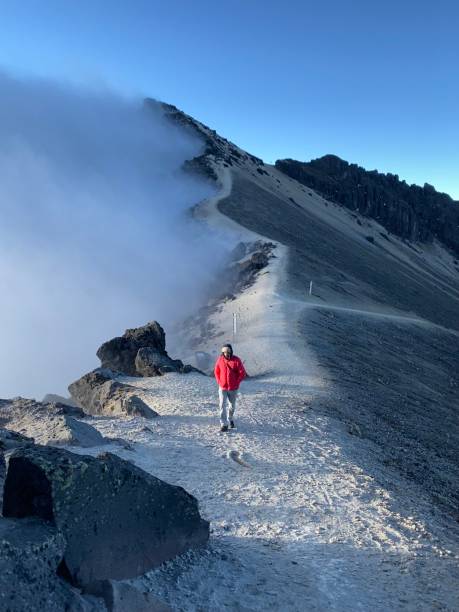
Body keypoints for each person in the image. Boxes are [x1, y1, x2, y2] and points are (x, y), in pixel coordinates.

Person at [214, 343, 247, 432]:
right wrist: (219, 381)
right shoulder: (220, 360)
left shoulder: (236, 360)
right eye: (225, 352)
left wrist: (237, 383)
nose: (227, 354)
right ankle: (224, 424)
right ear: (222, 353)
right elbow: (216, 371)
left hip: (233, 388)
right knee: (222, 404)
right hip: (223, 387)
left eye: (228, 352)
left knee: (232, 406)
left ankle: (230, 418)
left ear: (231, 352)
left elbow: (242, 373)